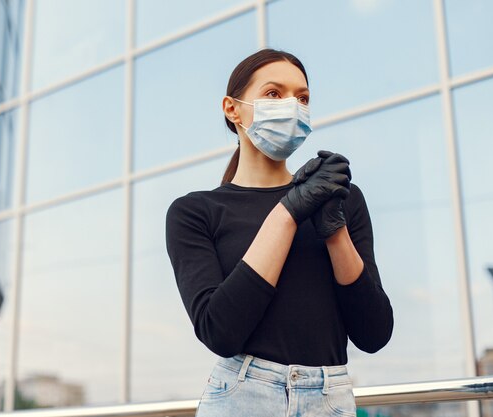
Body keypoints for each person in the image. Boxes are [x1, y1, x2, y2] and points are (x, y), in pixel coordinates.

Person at [164, 48, 394, 417]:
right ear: (232, 108)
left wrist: (334, 230)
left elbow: (374, 333)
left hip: (330, 398)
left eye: (302, 98)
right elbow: (219, 332)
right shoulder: (194, 212)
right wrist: (288, 212)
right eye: (274, 93)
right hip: (242, 397)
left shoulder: (340, 200)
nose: (292, 105)